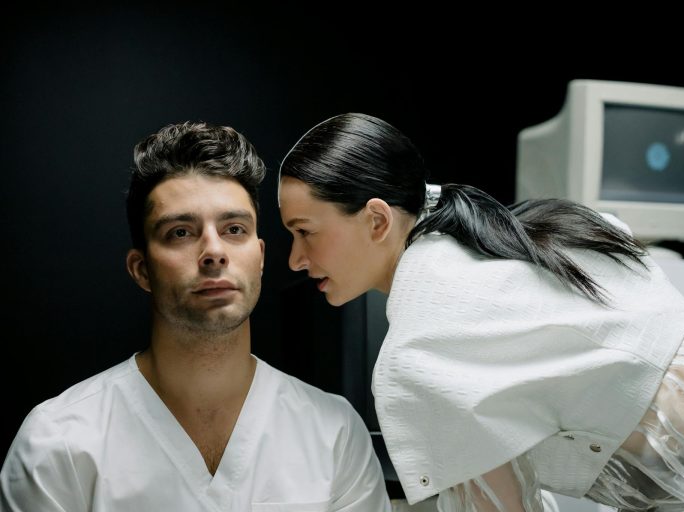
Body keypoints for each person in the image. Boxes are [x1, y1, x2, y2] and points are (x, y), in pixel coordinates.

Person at [277, 113, 684, 512]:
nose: (296, 259)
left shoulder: (417, 353)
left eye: (305, 231)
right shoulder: (484, 239)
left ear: (377, 219)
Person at [0, 121, 391, 511]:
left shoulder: (334, 435)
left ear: (260, 259)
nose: (213, 251)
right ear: (141, 269)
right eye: (181, 233)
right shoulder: (58, 444)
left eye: (234, 229)